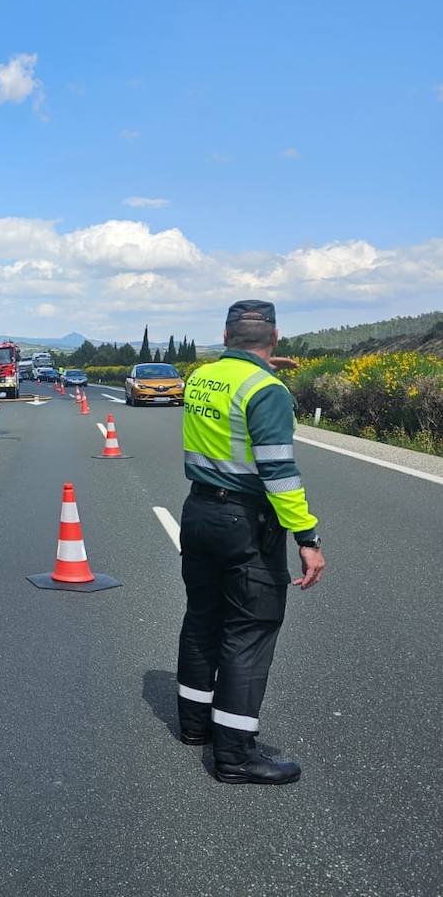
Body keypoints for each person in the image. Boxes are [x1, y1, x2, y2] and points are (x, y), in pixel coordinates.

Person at [176, 300, 325, 785]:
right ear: (276, 338)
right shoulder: (267, 390)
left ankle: (196, 726)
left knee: (202, 618)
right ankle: (235, 756)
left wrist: (260, 370)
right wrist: (307, 537)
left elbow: (231, 398)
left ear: (225, 334)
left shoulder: (202, 377)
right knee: (250, 630)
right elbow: (279, 472)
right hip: (244, 522)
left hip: (198, 511)